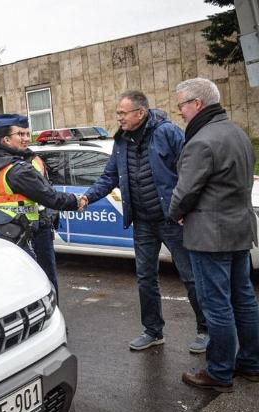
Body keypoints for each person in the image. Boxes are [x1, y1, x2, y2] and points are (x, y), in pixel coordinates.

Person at [78, 91, 208, 352]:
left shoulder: (167, 132)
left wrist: (185, 207)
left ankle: (206, 329)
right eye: (118, 113)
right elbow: (109, 176)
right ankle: (152, 330)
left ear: (141, 112)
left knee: (191, 276)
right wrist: (87, 197)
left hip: (172, 219)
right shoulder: (121, 141)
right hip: (143, 222)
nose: (119, 118)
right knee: (145, 277)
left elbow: (189, 170)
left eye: (123, 113)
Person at [169, 78, 259, 393]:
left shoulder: (201, 141)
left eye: (182, 104)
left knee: (216, 305)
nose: (179, 111)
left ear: (197, 104)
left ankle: (219, 372)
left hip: (210, 236)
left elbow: (185, 192)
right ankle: (249, 364)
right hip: (240, 229)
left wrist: (175, 212)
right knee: (244, 299)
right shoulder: (238, 133)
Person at [0, 114, 79, 291]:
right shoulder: (17, 169)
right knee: (39, 286)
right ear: (6, 139)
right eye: (21, 134)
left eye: (28, 133)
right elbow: (51, 197)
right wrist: (77, 201)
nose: (27, 138)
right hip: (21, 234)